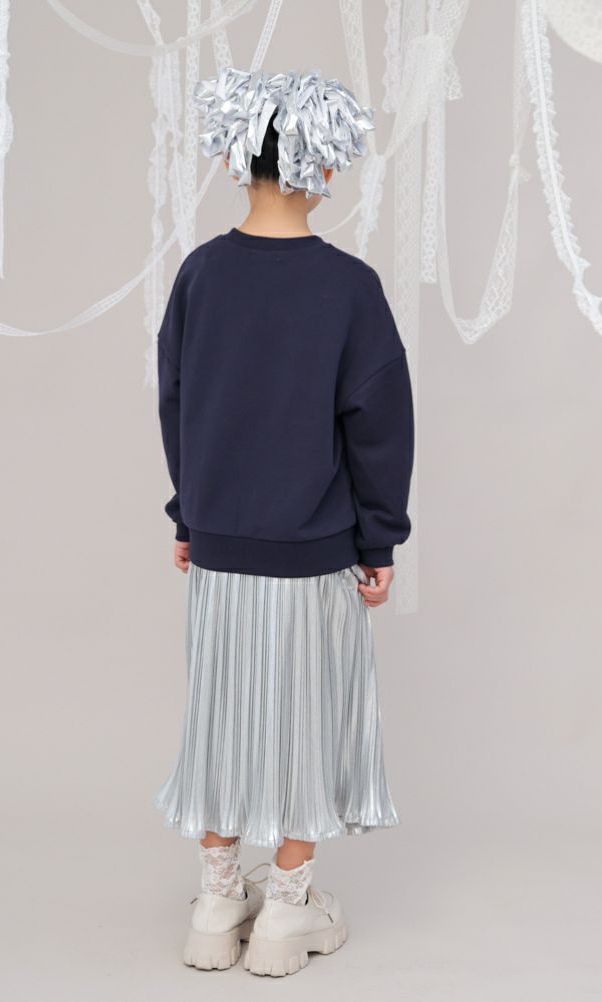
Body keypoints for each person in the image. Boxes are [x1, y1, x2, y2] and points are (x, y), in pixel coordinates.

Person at [153, 68, 414, 978]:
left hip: (221, 548)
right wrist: (379, 540)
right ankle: (286, 913)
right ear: (324, 166)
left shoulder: (200, 274)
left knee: (221, 719)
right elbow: (379, 425)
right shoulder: (349, 287)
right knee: (309, 725)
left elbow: (178, 404)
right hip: (313, 553)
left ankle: (218, 901)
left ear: (239, 157)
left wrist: (191, 514)